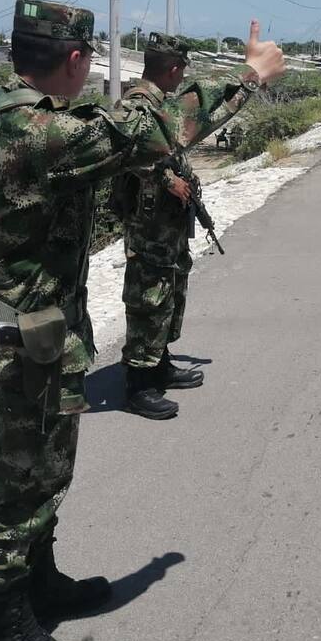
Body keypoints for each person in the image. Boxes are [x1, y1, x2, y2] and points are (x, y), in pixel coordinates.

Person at [0, 0, 283, 641]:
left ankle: (40, 581)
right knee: (23, 475)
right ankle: (6, 624)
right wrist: (250, 76)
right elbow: (163, 128)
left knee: (44, 467)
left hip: (14, 319)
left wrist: (7, 246)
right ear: (74, 59)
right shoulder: (47, 132)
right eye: (89, 57)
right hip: (27, 333)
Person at [113, 33, 259, 420]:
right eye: (182, 72)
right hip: (148, 225)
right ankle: (138, 384)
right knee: (149, 298)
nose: (182, 78)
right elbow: (129, 154)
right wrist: (166, 180)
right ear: (174, 69)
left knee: (170, 291)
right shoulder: (136, 104)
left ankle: (159, 363)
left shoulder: (161, 103)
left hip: (167, 223)